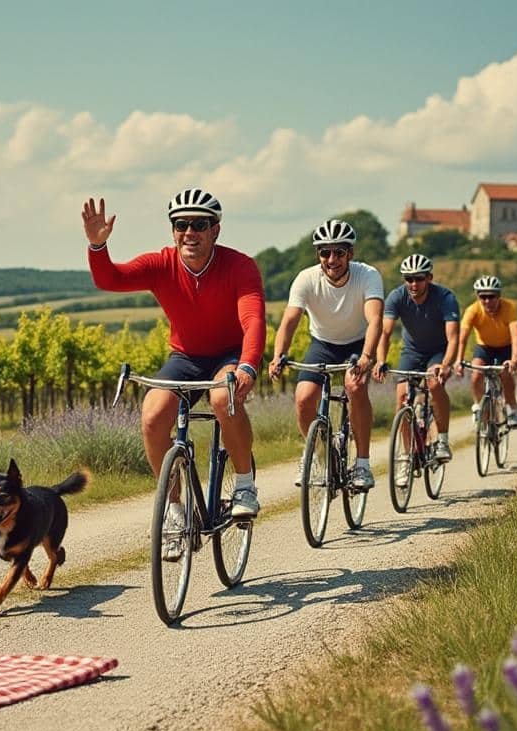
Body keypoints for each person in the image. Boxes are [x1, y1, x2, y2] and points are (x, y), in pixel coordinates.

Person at [81, 189, 266, 551]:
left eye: (200, 224)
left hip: (227, 354)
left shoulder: (240, 266)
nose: (190, 232)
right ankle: (176, 508)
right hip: (185, 357)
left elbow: (253, 318)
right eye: (181, 225)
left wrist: (247, 366)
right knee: (152, 416)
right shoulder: (162, 264)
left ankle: (244, 485)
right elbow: (110, 279)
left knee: (221, 398)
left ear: (216, 230)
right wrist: (97, 247)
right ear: (173, 231)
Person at [269, 219, 383, 490]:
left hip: (357, 343)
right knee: (303, 397)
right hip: (323, 343)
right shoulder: (306, 279)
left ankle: (363, 465)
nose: (332, 259)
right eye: (325, 252)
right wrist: (278, 355)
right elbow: (289, 321)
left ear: (350, 253)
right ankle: (319, 454)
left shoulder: (368, 275)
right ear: (317, 254)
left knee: (355, 388)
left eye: (339, 252)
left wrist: (367, 356)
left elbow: (375, 319)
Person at [372, 253, 459, 488]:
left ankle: (442, 439)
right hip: (411, 352)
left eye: (418, 279)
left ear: (429, 278)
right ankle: (406, 458)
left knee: (434, 383)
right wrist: (380, 360)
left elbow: (453, 338)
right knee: (401, 398)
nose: (413, 284)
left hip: (439, 352)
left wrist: (446, 364)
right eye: (408, 279)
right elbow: (386, 333)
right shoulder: (397, 297)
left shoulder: (445, 298)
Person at [455, 275, 517, 429]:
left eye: (491, 296)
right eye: (482, 296)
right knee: (476, 375)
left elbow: (516, 336)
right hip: (484, 347)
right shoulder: (472, 310)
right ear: (478, 296)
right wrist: (458, 360)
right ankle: (478, 406)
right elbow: (462, 337)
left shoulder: (509, 308)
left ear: (499, 296)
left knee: (506, 374)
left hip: (506, 347)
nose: (487, 301)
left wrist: (514, 359)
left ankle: (512, 409)